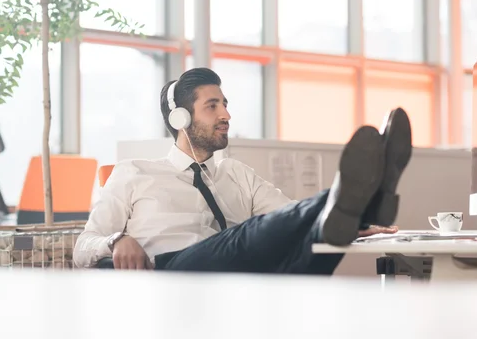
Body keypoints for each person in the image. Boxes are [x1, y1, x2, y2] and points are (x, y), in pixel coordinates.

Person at [73, 68, 412, 274]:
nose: (226, 116)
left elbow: (288, 217)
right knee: (243, 235)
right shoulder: (135, 173)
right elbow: (82, 247)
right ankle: (349, 193)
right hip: (171, 274)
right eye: (212, 106)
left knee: (317, 244)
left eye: (225, 105)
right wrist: (117, 240)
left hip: (238, 278)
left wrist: (348, 223)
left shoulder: (236, 173)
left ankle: (355, 204)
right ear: (181, 119)